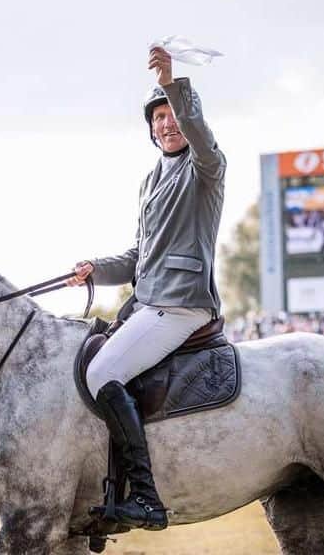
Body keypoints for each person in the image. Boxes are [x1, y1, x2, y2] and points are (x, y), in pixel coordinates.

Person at [68, 46, 226, 530]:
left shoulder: (206, 167)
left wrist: (172, 82)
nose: (167, 124)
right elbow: (140, 257)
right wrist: (96, 268)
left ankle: (148, 499)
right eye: (158, 118)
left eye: (172, 115)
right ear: (150, 128)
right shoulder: (149, 180)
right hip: (147, 303)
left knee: (100, 374)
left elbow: (199, 134)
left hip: (181, 306)